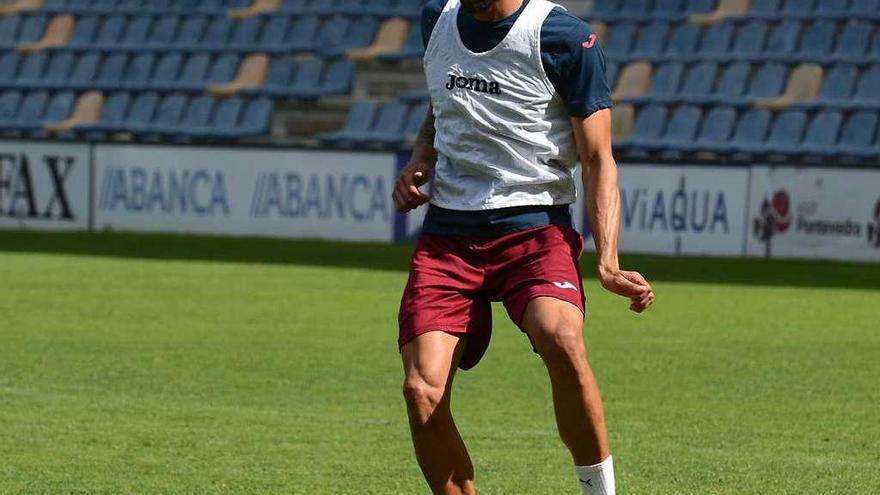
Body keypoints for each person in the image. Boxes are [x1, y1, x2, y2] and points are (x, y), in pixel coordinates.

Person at [392, 1, 655, 493]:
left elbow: (599, 158)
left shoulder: (564, 37)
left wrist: (610, 260)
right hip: (449, 234)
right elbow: (439, 104)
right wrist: (420, 158)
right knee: (421, 388)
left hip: (535, 229)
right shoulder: (437, 19)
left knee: (561, 337)